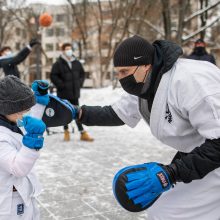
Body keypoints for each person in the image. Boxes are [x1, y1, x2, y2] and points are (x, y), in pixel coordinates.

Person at [66, 35, 220, 219]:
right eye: (118, 73)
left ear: (146, 65)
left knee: (169, 213)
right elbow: (117, 113)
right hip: (199, 156)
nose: (121, 79)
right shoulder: (146, 83)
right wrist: (76, 113)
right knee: (163, 210)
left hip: (213, 158)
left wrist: (171, 174)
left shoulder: (191, 81)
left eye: (124, 71)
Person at [0, 75, 46, 219]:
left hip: (22, 194)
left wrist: (40, 102)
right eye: (21, 110)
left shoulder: (12, 122)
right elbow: (18, 168)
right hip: (10, 202)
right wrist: (32, 144)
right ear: (6, 109)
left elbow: (30, 121)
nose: (25, 113)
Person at [50, 42, 94, 142]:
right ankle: (66, 132)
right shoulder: (58, 64)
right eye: (66, 49)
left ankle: (82, 133)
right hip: (63, 93)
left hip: (74, 93)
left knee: (77, 112)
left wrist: (79, 83)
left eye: (70, 49)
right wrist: (62, 85)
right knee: (64, 113)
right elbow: (53, 76)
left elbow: (82, 74)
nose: (69, 51)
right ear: (63, 51)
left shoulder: (77, 63)